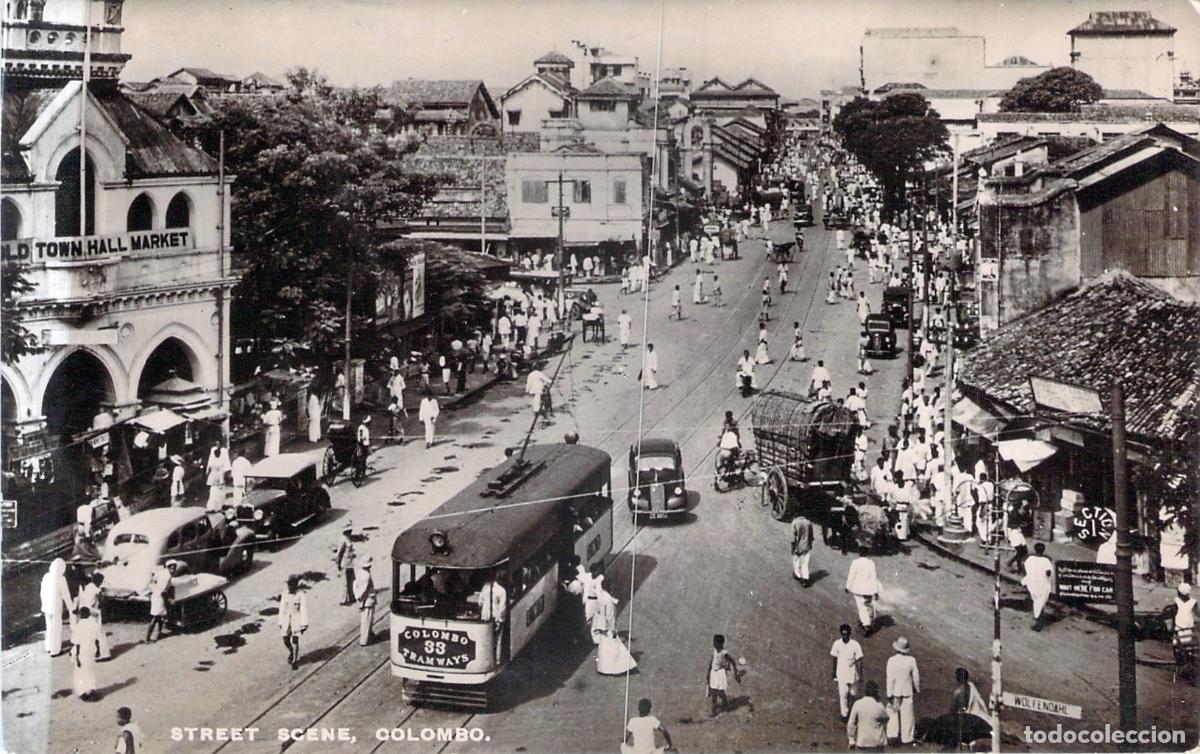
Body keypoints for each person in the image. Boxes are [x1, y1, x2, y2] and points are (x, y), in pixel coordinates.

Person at [885, 636, 920, 745]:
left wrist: (889, 693)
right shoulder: (911, 660)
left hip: (895, 691)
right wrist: (917, 688)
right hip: (907, 691)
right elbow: (916, 676)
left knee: (893, 713)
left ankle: (892, 735)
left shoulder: (891, 660)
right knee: (908, 715)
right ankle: (907, 738)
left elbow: (890, 678)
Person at [830, 624, 864, 721]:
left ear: (850, 634)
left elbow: (860, 660)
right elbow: (834, 659)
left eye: (847, 634)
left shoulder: (855, 645)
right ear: (841, 634)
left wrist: (861, 675)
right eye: (843, 634)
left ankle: (852, 714)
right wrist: (833, 672)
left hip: (853, 674)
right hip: (841, 673)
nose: (845, 636)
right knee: (843, 694)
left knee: (853, 694)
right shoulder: (837, 644)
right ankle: (844, 714)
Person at [76, 571, 112, 661]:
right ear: (98, 581)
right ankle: (104, 654)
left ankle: (96, 652)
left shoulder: (88, 587)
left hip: (86, 613)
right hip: (93, 613)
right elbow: (101, 600)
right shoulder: (96, 589)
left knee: (93, 634)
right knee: (100, 634)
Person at [846, 680, 890, 751]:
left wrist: (851, 739)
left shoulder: (858, 704)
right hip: (877, 742)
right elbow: (886, 718)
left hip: (863, 741)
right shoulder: (879, 706)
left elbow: (851, 724)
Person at [706, 634, 743, 717]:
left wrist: (736, 671)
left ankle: (715, 710)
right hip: (714, 673)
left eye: (715, 642)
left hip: (720, 673)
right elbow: (712, 661)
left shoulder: (724, 653)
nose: (713, 644)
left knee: (716, 691)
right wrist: (708, 672)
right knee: (714, 691)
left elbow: (732, 661)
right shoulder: (715, 651)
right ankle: (721, 704)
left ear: (720, 644)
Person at [40, 557, 71, 656]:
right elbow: (66, 595)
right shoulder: (61, 579)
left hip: (46, 607)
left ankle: (48, 646)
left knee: (49, 627)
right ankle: (55, 650)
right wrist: (71, 608)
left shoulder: (46, 576)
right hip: (56, 607)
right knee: (56, 628)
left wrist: (43, 603)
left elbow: (42, 592)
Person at [845, 554, 880, 635]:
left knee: (861, 607)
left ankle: (866, 624)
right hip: (868, 590)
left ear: (859, 554)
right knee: (867, 606)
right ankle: (868, 622)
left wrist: (847, 586)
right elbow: (873, 577)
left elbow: (851, 575)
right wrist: (875, 591)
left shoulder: (855, 562)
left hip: (857, 589)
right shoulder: (871, 563)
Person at [1022, 543, 1054, 631]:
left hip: (1033, 583)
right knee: (1040, 602)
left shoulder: (1030, 559)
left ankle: (1039, 621)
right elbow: (1049, 573)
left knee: (1036, 602)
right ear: (1043, 550)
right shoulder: (1046, 561)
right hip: (1042, 584)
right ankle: (1039, 621)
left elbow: (1025, 568)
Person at [280, 574, 308, 669]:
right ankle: (291, 651)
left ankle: (295, 661)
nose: (289, 586)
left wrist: (304, 624)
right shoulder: (285, 593)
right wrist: (280, 621)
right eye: (288, 584)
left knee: (295, 639)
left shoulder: (301, 594)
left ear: (295, 585)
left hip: (296, 618)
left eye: (291, 584)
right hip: (286, 619)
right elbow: (282, 608)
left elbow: (303, 609)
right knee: (285, 639)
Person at [73, 606, 100, 701]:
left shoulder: (78, 626)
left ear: (80, 615)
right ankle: (91, 690)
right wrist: (98, 651)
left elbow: (77, 643)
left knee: (80, 673)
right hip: (91, 650)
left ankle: (82, 692)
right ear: (89, 614)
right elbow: (97, 639)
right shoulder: (94, 624)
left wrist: (76, 657)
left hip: (82, 652)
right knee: (90, 671)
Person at [143, 560, 175, 643]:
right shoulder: (168, 576)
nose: (173, 570)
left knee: (161, 616)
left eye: (174, 568)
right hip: (159, 598)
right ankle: (147, 638)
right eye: (171, 568)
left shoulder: (161, 572)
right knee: (155, 617)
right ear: (168, 568)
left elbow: (153, 579)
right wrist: (169, 599)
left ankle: (158, 633)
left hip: (156, 595)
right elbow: (164, 591)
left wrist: (154, 588)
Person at [354, 556, 377, 647]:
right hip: (368, 601)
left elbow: (355, 584)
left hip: (365, 600)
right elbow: (363, 591)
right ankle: (365, 640)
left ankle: (370, 635)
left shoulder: (360, 572)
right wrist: (361, 602)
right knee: (367, 620)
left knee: (367, 619)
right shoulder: (366, 575)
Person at [791, 515, 815, 586]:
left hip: (798, 546)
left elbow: (793, 538)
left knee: (796, 560)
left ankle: (797, 574)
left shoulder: (795, 523)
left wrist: (792, 548)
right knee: (805, 563)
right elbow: (811, 536)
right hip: (806, 546)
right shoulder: (809, 523)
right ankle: (805, 579)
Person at [336, 525, 357, 605]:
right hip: (344, 564)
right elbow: (339, 553)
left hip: (350, 563)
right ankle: (343, 600)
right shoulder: (343, 539)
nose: (350, 531)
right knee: (344, 582)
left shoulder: (348, 538)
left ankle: (351, 597)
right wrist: (337, 564)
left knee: (351, 581)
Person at [204, 444, 228, 512]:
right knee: (219, 491)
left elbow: (207, 470)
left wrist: (209, 476)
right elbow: (222, 471)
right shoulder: (221, 462)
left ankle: (212, 506)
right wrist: (222, 479)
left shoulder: (211, 461)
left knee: (213, 491)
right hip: (219, 475)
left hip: (212, 476)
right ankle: (218, 506)